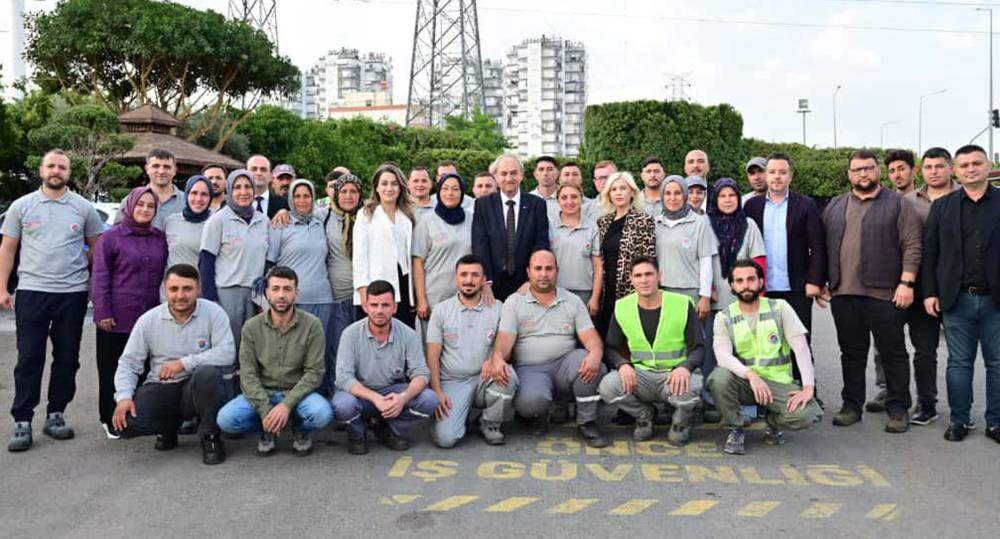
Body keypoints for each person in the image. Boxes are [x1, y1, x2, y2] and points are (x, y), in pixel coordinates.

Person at [2, 150, 103, 452]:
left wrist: (94, 289)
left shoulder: (84, 209)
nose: (56, 170)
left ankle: (56, 413)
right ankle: (23, 420)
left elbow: (97, 252)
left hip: (72, 294)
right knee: (29, 358)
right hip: (32, 291)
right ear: (41, 170)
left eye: (62, 166)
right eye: (51, 166)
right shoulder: (21, 206)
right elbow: (7, 249)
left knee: (67, 358)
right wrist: (2, 288)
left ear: (69, 173)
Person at [821, 150, 922, 433]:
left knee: (893, 354)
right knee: (851, 354)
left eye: (867, 168)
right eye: (856, 170)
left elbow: (912, 245)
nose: (862, 174)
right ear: (849, 174)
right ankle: (851, 406)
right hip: (844, 294)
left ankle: (898, 408)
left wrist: (906, 283)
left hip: (885, 295)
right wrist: (821, 282)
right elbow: (822, 245)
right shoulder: (836, 205)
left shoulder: (898, 205)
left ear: (877, 171)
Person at [111, 264, 237, 465]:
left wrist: (184, 363)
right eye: (174, 289)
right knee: (127, 424)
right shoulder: (148, 320)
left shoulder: (214, 313)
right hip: (161, 386)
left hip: (196, 388)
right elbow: (129, 363)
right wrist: (124, 397)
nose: (180, 295)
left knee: (208, 374)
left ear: (198, 288)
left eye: (187, 289)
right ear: (164, 289)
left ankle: (210, 436)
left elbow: (227, 353)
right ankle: (168, 428)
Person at [867, 148, 954, 421]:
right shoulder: (899, 202)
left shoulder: (961, 199)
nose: (897, 175)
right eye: (892, 170)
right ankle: (892, 394)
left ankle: (929, 404)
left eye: (902, 169)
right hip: (902, 286)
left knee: (929, 350)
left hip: (940, 285)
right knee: (887, 345)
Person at [922, 144, 1000, 444]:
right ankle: (959, 420)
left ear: (987, 165)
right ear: (956, 170)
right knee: (958, 363)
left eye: (976, 163)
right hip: (957, 299)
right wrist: (929, 292)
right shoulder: (943, 207)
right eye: (964, 165)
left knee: (997, 364)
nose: (970, 169)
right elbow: (930, 253)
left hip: (996, 299)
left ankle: (995, 422)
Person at [489, 250, 608, 447]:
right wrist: (498, 358)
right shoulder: (514, 302)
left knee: (592, 364)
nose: (543, 274)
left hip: (565, 364)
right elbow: (504, 339)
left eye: (548, 269)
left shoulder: (572, 300)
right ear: (528, 272)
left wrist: (595, 354)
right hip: (530, 368)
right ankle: (538, 416)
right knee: (531, 403)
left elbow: (590, 337)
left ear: (557, 271)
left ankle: (587, 421)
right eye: (538, 269)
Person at [708, 260, 822, 455]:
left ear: (761, 282)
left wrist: (808, 387)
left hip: (777, 382)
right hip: (745, 382)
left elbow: (801, 348)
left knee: (808, 414)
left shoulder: (779, 308)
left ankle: (772, 421)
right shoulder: (724, 317)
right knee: (718, 378)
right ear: (732, 286)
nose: (746, 285)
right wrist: (751, 375)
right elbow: (722, 356)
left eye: (751, 279)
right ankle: (736, 427)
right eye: (740, 280)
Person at [217, 266, 332, 456]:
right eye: (275, 289)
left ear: (296, 293)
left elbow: (314, 372)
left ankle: (301, 430)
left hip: (298, 394)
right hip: (264, 392)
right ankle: (268, 428)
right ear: (267, 293)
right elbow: (248, 374)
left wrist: (286, 405)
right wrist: (265, 410)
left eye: (287, 289)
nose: (281, 295)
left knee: (322, 413)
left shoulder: (312, 324)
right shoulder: (251, 327)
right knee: (226, 420)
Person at [599, 256, 705, 445]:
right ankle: (644, 415)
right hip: (642, 377)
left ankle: (681, 423)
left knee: (692, 386)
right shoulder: (623, 306)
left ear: (659, 276)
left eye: (649, 274)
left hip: (673, 376)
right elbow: (611, 348)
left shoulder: (682, 304)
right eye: (638, 275)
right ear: (631, 279)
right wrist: (622, 365)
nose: (644, 280)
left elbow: (698, 348)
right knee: (608, 386)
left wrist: (685, 367)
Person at [91, 186, 168, 438]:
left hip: (149, 315)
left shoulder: (159, 237)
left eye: (150, 206)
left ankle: (137, 417)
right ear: (129, 206)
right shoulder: (111, 237)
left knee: (146, 368)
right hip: (116, 316)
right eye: (140, 205)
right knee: (112, 369)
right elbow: (100, 277)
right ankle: (109, 417)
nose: (145, 210)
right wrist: (102, 311)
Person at [744, 152, 827, 386]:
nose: (777, 177)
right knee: (766, 345)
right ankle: (772, 398)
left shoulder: (806, 205)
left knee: (799, 343)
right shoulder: (752, 206)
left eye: (782, 172)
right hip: (763, 290)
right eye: (772, 172)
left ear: (790, 176)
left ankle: (808, 392)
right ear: (766, 175)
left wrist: (815, 281)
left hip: (797, 288)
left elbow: (818, 246)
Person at [333, 280, 439, 454]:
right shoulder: (350, 334)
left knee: (430, 399)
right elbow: (344, 377)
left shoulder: (408, 334)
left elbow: (421, 374)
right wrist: (375, 398)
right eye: (374, 305)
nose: (379, 311)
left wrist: (403, 398)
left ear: (395, 307)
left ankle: (390, 429)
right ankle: (357, 435)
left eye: (385, 305)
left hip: (392, 393)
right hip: (361, 394)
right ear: (365, 306)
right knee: (342, 405)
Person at [428, 255, 516, 447]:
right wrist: (436, 391)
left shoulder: (499, 308)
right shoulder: (441, 311)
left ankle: (489, 423)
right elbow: (432, 356)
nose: (469, 280)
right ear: (456, 278)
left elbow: (507, 348)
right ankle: (457, 414)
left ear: (484, 279)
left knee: (508, 376)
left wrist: (494, 359)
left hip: (484, 379)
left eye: (475, 275)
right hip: (453, 381)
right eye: (464, 275)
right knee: (446, 439)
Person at [705, 178, 766, 420]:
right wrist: (705, 288)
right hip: (714, 301)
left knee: (744, 353)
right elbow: (701, 260)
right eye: (722, 196)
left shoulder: (748, 225)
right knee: (713, 352)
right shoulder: (706, 225)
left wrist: (758, 297)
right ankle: (712, 402)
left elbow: (759, 261)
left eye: (732, 195)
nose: (728, 200)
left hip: (743, 302)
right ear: (715, 199)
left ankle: (747, 403)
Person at [267, 179, 335, 370]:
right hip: (292, 300)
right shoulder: (280, 224)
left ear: (313, 198)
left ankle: (320, 396)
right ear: (290, 199)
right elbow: (270, 265)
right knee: (292, 353)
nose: (302, 200)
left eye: (307, 196)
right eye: (297, 196)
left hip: (322, 299)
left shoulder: (320, 222)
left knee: (319, 353)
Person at [199, 169, 269, 353]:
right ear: (229, 190)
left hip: (257, 294)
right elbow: (206, 262)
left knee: (254, 346)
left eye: (248, 187)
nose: (243, 192)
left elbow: (269, 260)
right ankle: (228, 382)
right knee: (230, 346)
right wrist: (210, 298)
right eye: (237, 187)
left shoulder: (264, 221)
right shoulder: (218, 220)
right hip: (227, 293)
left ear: (254, 190)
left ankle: (248, 382)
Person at [471, 153, 550, 301]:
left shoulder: (537, 204)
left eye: (514, 173)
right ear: (495, 176)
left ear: (521, 175)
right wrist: (485, 283)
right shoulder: (483, 205)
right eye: (504, 173)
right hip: (492, 286)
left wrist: (531, 280)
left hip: (527, 285)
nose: (509, 178)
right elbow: (480, 245)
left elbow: (541, 243)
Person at [353, 163, 417, 328]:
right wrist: (364, 295)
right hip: (376, 286)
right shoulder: (366, 214)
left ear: (401, 187)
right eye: (384, 183)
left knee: (402, 333)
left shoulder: (407, 215)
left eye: (394, 183)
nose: (389, 188)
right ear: (376, 187)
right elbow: (359, 258)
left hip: (403, 285)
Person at [412, 173, 474, 337]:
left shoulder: (472, 220)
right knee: (432, 347)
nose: (450, 193)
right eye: (445, 188)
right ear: (438, 192)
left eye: (455, 189)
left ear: (462, 193)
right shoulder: (426, 222)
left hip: (465, 295)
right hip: (434, 297)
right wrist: (421, 299)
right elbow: (417, 262)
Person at [318, 172, 363, 396]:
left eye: (353, 191)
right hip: (336, 294)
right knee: (337, 348)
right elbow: (299, 212)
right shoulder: (323, 216)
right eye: (343, 191)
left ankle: (361, 397)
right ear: (335, 193)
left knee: (362, 350)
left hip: (364, 296)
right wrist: (281, 212)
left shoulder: (368, 216)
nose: (348, 196)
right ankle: (338, 395)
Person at [595, 171, 656, 336]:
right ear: (608, 194)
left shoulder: (643, 220)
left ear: (632, 192)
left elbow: (649, 259)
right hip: (606, 291)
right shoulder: (603, 223)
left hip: (631, 290)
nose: (618, 193)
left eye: (623, 188)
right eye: (614, 189)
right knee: (606, 336)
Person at [654, 176, 716, 320]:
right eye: (668, 193)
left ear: (685, 195)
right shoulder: (655, 223)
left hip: (690, 292)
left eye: (678, 193)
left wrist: (705, 297)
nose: (672, 198)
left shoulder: (700, 223)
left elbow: (706, 262)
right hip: (662, 291)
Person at [549, 183, 602, 315]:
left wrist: (595, 297)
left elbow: (598, 267)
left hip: (585, 293)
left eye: (574, 197)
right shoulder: (549, 226)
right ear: (558, 201)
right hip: (555, 291)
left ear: (581, 199)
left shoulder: (592, 228)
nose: (569, 202)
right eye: (564, 197)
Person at [117, 148, 184, 230]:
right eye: (156, 166)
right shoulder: (130, 201)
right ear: (147, 169)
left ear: (174, 170)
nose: (161, 171)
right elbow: (117, 234)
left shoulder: (187, 202)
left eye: (167, 167)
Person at [164, 176, 213, 269]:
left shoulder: (216, 222)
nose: (198, 199)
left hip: (201, 282)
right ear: (187, 194)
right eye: (194, 193)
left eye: (204, 194)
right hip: (173, 282)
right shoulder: (171, 221)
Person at [246, 155, 288, 219]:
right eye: (254, 169)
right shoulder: (236, 203)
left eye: (263, 170)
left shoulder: (284, 204)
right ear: (245, 173)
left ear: (271, 176)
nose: (258, 173)